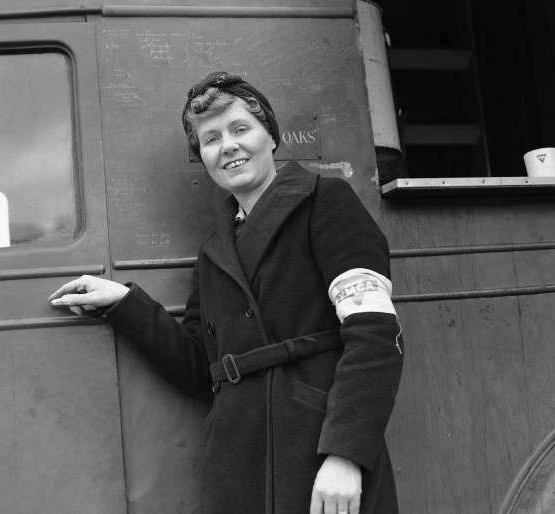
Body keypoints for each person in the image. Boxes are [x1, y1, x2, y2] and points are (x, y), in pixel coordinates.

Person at [49, 71, 404, 514]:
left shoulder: (325, 201)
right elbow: (201, 367)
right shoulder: (216, 244)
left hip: (318, 454)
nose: (228, 146)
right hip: (237, 464)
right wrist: (125, 303)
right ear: (203, 156)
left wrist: (347, 455)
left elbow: (375, 334)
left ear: (270, 136)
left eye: (240, 129)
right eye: (211, 138)